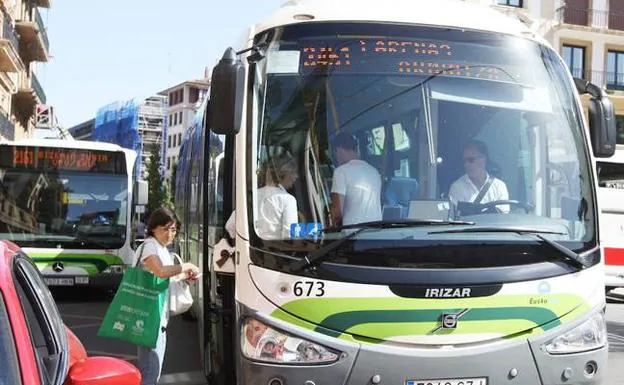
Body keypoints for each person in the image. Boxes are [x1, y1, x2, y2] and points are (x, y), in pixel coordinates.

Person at [133, 207, 199, 385]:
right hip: (149, 317)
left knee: (152, 370)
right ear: (153, 228)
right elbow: (160, 271)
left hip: (156, 316)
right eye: (165, 229)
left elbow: (166, 278)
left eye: (174, 229)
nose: (170, 234)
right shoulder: (150, 247)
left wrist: (185, 278)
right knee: (150, 372)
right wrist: (186, 266)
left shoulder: (160, 248)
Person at [330, 132, 382, 226]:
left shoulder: (341, 172)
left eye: (335, 154)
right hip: (376, 234)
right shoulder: (374, 172)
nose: (336, 158)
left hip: (353, 236)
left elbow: (337, 212)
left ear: (338, 150)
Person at [448, 140, 509, 213]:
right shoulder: (457, 188)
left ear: (483, 160)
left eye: (471, 160)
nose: (466, 164)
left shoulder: (499, 186)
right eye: (464, 161)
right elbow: (454, 217)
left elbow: (503, 217)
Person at [256, 155, 299, 239]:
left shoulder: (253, 195)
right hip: (276, 250)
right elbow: (290, 236)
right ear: (284, 174)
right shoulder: (288, 200)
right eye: (294, 172)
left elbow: (230, 226)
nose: (296, 176)